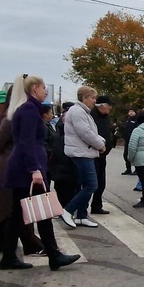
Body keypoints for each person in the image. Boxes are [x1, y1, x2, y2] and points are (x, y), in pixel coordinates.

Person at [0, 74, 80, 271]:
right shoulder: (28, 110)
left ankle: (12, 257)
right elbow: (27, 142)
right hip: (27, 171)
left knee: (20, 215)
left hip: (25, 169)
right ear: (34, 88)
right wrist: (34, 169)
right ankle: (53, 255)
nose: (45, 91)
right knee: (38, 212)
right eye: (44, 88)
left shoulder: (29, 109)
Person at [0, 87, 45, 257]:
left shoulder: (15, 112)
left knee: (10, 208)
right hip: (11, 165)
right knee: (15, 208)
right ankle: (33, 245)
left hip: (10, 164)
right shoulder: (14, 114)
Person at [59, 86, 106, 229]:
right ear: (84, 98)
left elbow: (90, 131)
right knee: (92, 184)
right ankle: (67, 210)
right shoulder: (78, 111)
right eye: (92, 97)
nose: (94, 100)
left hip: (83, 151)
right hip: (82, 153)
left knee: (85, 184)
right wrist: (100, 145)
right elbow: (85, 133)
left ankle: (81, 216)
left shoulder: (82, 112)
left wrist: (100, 140)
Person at [90, 95, 114, 214]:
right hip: (93, 155)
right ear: (102, 106)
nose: (110, 108)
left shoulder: (105, 117)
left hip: (102, 156)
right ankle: (80, 209)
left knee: (101, 183)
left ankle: (96, 205)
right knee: (90, 184)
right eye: (109, 106)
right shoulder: (91, 116)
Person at [119, 108, 138, 175]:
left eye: (132, 111)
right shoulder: (128, 120)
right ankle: (128, 168)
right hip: (127, 140)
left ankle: (137, 169)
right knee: (126, 155)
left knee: (135, 155)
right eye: (129, 111)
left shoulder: (137, 120)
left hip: (134, 140)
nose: (130, 113)